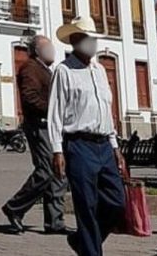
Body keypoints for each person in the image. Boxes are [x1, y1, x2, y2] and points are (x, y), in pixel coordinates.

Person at [48, 17, 125, 256]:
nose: (92, 43)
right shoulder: (64, 71)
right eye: (86, 38)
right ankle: (92, 251)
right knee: (86, 206)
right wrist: (57, 150)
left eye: (93, 38)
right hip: (79, 145)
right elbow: (55, 112)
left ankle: (82, 241)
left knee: (117, 202)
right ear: (74, 40)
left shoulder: (100, 69)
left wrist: (115, 146)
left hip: (104, 145)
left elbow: (107, 110)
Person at [1, 34, 68, 234]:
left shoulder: (46, 70)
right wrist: (54, 108)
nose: (52, 52)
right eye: (48, 48)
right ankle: (14, 207)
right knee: (46, 170)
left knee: (58, 172)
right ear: (37, 51)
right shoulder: (30, 68)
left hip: (51, 126)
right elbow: (30, 98)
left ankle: (55, 221)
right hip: (39, 126)